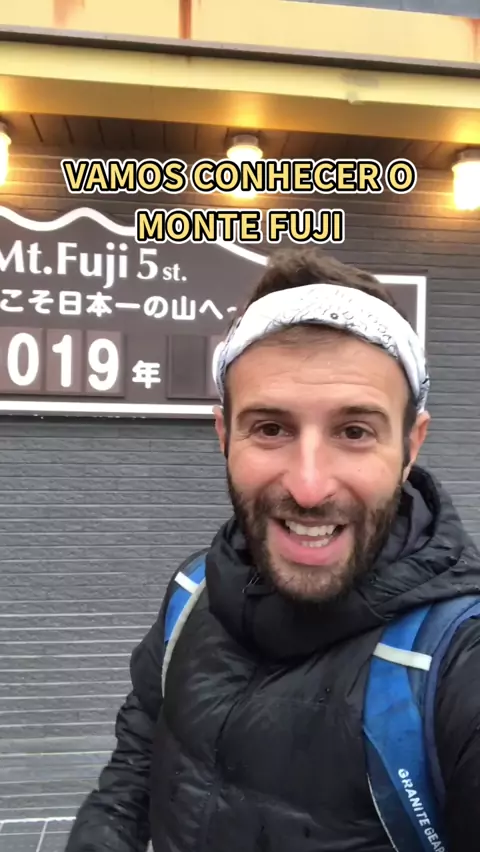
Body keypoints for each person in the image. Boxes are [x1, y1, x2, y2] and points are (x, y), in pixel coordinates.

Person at [65, 249, 480, 852]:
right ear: (224, 434)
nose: (309, 487)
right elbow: (134, 767)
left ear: (410, 446)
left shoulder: (457, 662)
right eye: (270, 428)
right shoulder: (194, 591)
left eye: (354, 431)